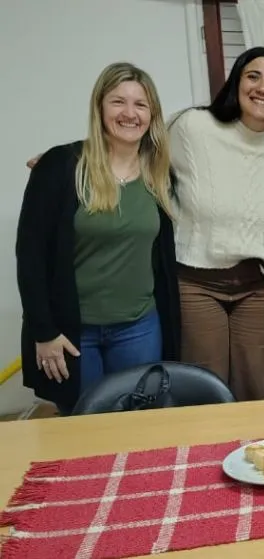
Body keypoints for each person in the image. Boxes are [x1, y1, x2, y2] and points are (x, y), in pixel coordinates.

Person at [15, 62, 181, 416]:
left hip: (139, 328)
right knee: (83, 431)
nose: (130, 113)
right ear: (99, 107)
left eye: (141, 104)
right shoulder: (61, 166)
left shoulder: (159, 173)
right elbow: (30, 257)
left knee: (139, 428)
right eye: (118, 102)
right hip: (74, 335)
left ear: (152, 114)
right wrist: (43, 333)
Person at [168, 47, 264, 401]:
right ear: (236, 83)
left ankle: (259, 456)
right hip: (197, 284)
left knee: (259, 391)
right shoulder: (193, 127)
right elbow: (135, 148)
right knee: (204, 389)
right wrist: (76, 158)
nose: (263, 87)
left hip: (259, 285)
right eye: (253, 76)